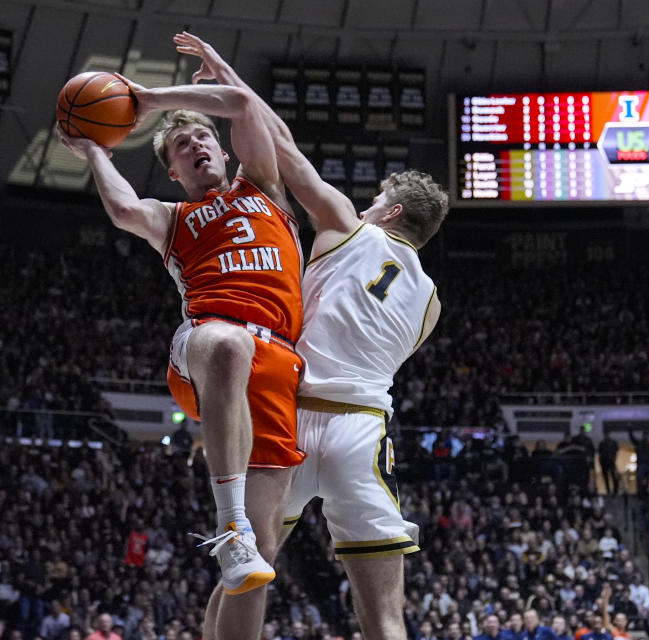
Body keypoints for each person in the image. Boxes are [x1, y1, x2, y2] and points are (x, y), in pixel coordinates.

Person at [174, 32, 447, 640]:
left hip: (292, 413)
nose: (370, 204)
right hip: (363, 428)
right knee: (383, 616)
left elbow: (280, 143)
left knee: (244, 568)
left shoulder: (348, 225)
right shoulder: (431, 304)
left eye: (379, 199)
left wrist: (226, 76)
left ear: (392, 211)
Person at [56, 70, 304, 637]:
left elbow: (242, 102)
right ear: (172, 171)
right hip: (206, 343)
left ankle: (242, 543)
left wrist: (151, 100)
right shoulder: (174, 219)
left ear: (223, 150)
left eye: (201, 138)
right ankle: (229, 524)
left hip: (276, 366)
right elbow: (122, 210)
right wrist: (96, 150)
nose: (195, 146)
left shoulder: (263, 187)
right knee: (226, 344)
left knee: (260, 562)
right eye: (180, 145)